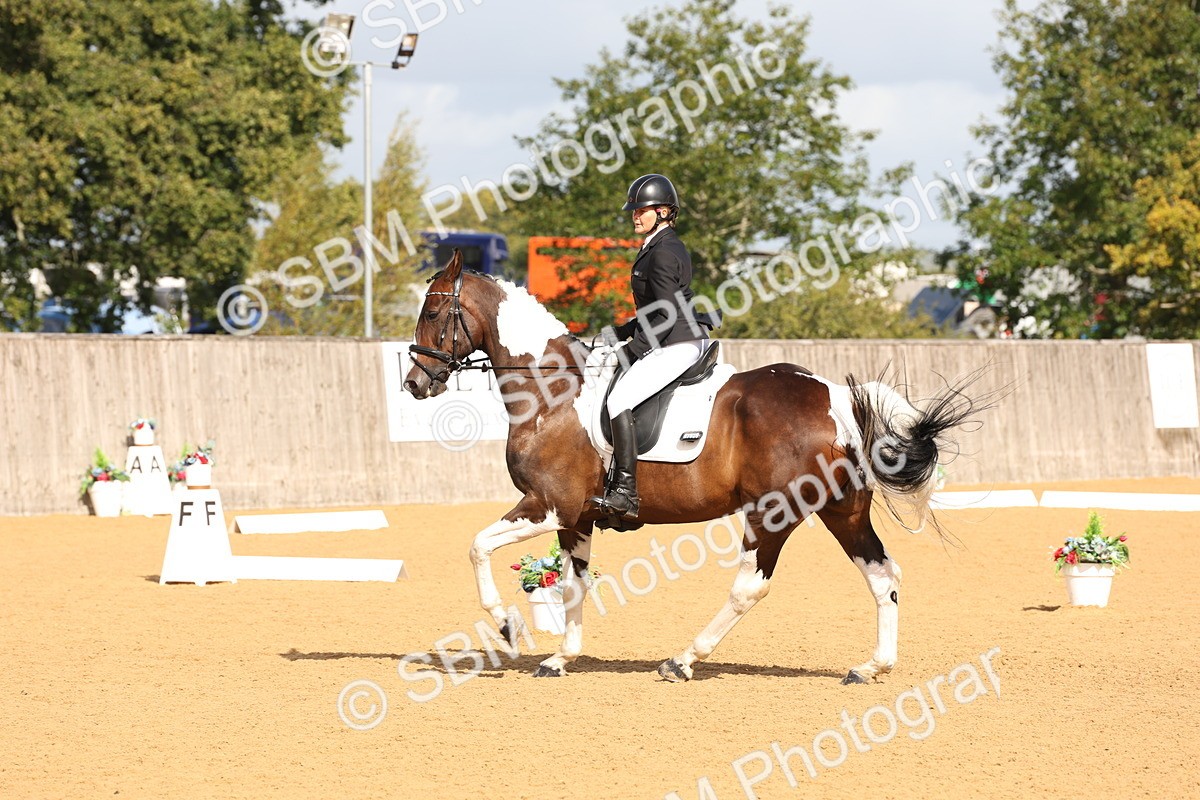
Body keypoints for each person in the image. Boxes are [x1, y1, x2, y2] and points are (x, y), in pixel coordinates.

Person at [588, 173, 713, 521]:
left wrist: (632, 349)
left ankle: (626, 492)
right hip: (673, 335)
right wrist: (621, 331)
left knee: (619, 400)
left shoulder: (663, 253)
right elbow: (655, 308)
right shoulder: (658, 246)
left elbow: (668, 314)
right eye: (634, 210)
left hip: (678, 341)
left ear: (662, 212)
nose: (634, 216)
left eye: (641, 210)